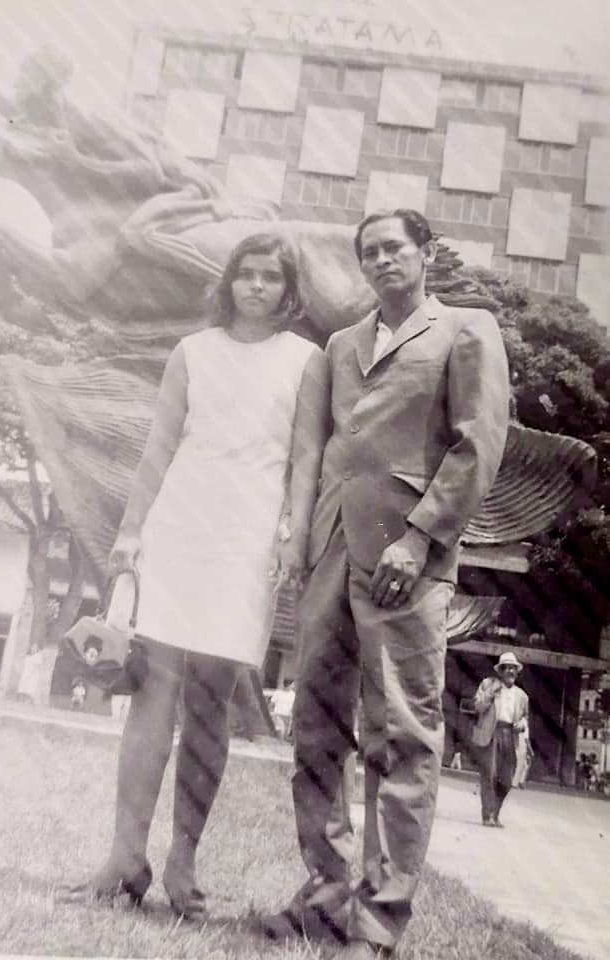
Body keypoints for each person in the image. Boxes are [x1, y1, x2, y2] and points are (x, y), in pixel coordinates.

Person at [264, 209, 510, 956]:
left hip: (408, 560)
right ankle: (325, 892)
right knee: (314, 725)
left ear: (425, 253)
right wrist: (301, 543)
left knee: (401, 733)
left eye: (393, 248)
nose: (380, 262)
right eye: (368, 253)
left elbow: (478, 444)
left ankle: (378, 919)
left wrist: (421, 534)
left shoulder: (466, 331)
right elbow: (324, 451)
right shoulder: (338, 347)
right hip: (332, 552)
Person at [66, 232, 329, 919]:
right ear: (228, 283)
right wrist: (129, 532)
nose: (256, 287)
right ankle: (124, 858)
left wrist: (292, 539)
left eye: (270, 277)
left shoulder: (307, 360)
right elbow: (158, 446)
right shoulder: (192, 352)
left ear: (288, 288)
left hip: (245, 538)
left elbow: (305, 459)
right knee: (152, 691)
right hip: (178, 525)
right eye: (245, 275)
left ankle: (183, 867)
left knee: (212, 701)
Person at [472, 651, 529, 825]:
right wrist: (490, 692)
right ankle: (487, 815)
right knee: (488, 776)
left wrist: (522, 723)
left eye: (514, 668)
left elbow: (525, 717)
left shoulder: (522, 696)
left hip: (510, 737)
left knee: (506, 779)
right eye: (507, 668)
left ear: (517, 672)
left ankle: (495, 814)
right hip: (491, 734)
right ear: (500, 670)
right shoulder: (487, 684)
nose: (510, 671)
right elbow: (478, 706)